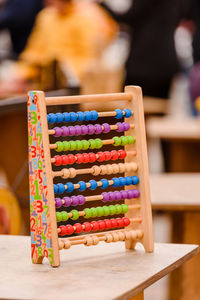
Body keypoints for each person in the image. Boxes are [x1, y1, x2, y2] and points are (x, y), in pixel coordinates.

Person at [100, 0, 191, 99]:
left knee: (132, 105)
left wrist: (103, 5)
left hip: (143, 62)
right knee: (158, 108)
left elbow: (129, 18)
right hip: (166, 61)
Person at [14, 0, 118, 82]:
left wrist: (65, 66)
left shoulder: (83, 18)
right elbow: (34, 47)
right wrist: (25, 68)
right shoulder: (45, 16)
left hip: (72, 74)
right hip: (44, 72)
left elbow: (88, 55)